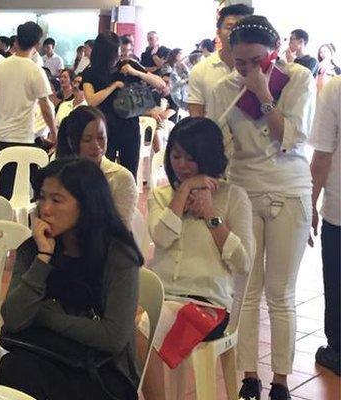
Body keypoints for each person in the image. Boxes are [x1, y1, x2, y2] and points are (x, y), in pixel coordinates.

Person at [207, 16, 316, 400]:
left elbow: (292, 138)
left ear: (272, 51)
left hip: (290, 190)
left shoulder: (298, 79)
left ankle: (282, 381)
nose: (250, 69)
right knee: (245, 290)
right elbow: (220, 145)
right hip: (244, 188)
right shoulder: (224, 88)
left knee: (281, 293)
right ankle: (248, 376)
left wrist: (264, 92)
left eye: (257, 60)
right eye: (241, 63)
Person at [0, 157, 143, 400]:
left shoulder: (117, 255)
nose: (45, 208)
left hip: (100, 371)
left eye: (57, 199)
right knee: (14, 368)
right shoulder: (33, 248)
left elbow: (113, 336)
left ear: (86, 205)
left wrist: (45, 315)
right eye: (42, 197)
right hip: (46, 354)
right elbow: (13, 319)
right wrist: (44, 257)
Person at [141, 117, 254, 399]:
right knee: (128, 331)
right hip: (164, 297)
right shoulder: (161, 195)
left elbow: (243, 262)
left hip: (207, 303)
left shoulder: (233, 198)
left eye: (190, 159)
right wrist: (183, 192)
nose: (180, 164)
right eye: (176, 155)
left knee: (141, 331)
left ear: (207, 158)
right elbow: (162, 237)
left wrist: (211, 215)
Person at [0, 21, 56, 200]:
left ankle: (2, 224)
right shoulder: (35, 70)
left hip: (2, 139)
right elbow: (45, 106)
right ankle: (28, 222)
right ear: (37, 44)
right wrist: (54, 131)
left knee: (3, 192)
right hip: (26, 140)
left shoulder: (1, 66)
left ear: (17, 41)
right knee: (32, 192)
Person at [82, 31, 166, 177]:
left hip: (129, 127)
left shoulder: (128, 65)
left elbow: (161, 84)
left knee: (129, 172)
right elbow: (92, 100)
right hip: (104, 129)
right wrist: (113, 86)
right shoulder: (90, 72)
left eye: (119, 51)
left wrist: (137, 73)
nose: (118, 56)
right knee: (104, 173)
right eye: (115, 52)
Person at [56, 106, 138, 232]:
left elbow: (119, 230)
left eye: (101, 138)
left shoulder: (121, 177)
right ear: (72, 141)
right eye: (87, 140)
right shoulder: (59, 173)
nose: (96, 146)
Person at [309, 76, 341, 376]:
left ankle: (338, 350)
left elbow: (322, 157)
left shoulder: (336, 88)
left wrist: (311, 202)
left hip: (339, 211)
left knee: (337, 282)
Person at [187, 3, 254, 118]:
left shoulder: (258, 69)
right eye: (229, 27)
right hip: (214, 134)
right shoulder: (200, 70)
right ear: (218, 32)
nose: (236, 33)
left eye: (242, 28)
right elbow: (196, 116)